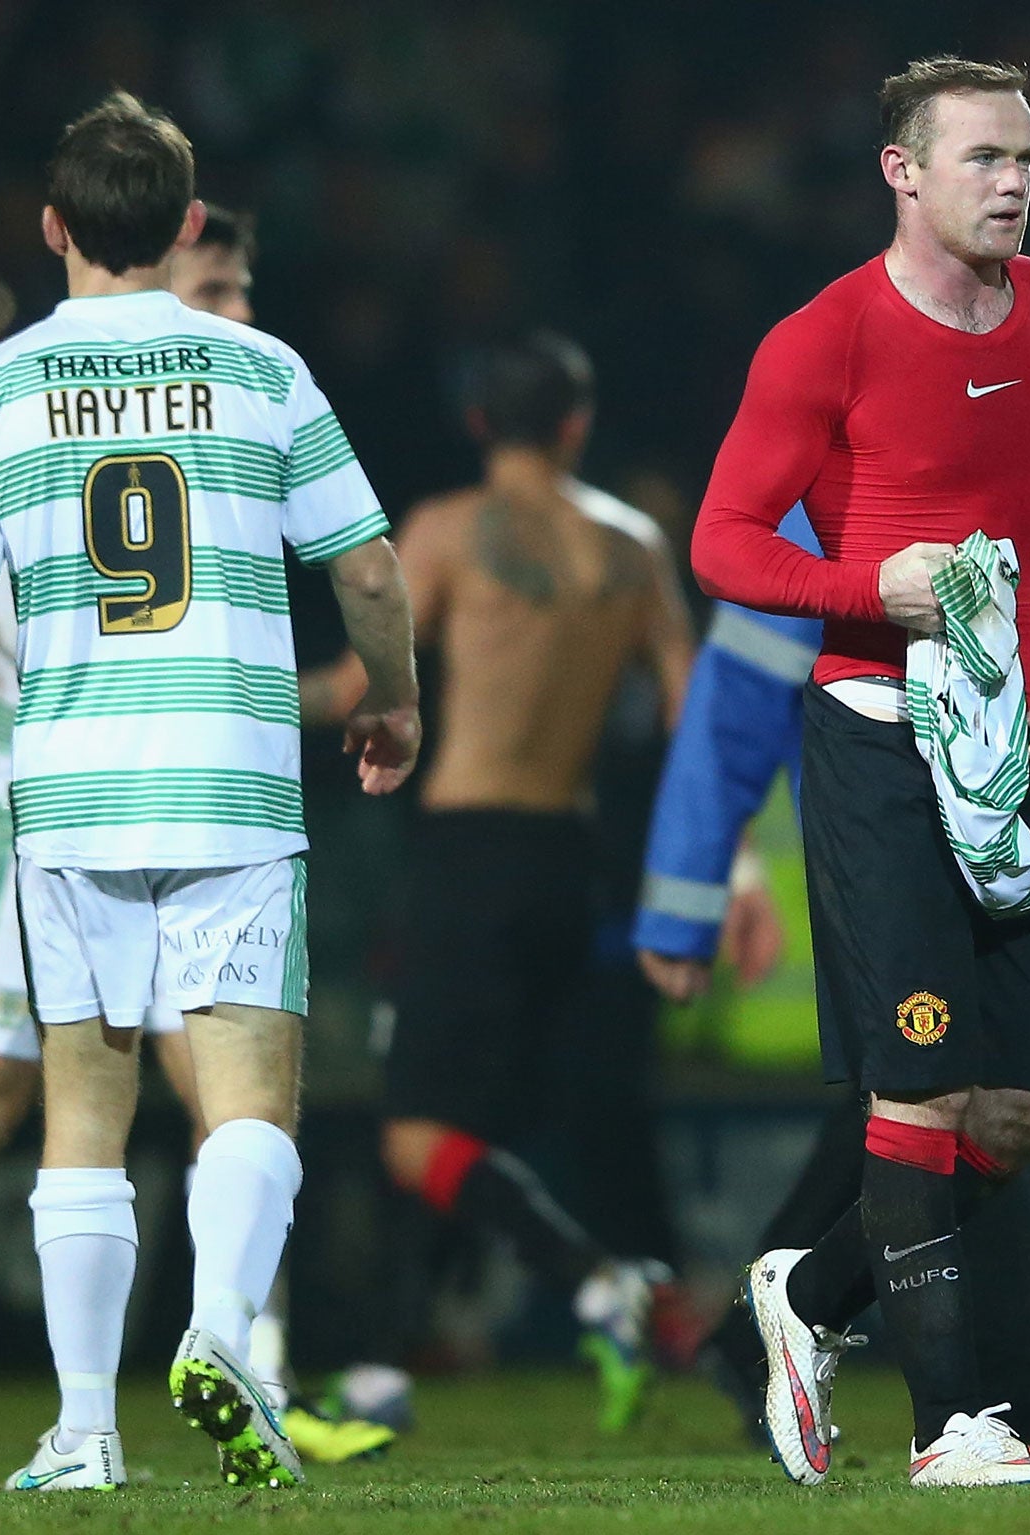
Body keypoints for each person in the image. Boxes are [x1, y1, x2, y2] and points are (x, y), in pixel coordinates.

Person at [0, 93, 420, 1491]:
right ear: (187, 223)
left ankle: (83, 1430)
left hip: (70, 797)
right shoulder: (263, 370)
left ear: (53, 226)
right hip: (230, 785)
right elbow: (373, 569)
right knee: (250, 1093)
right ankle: (219, 1334)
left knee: (81, 1116)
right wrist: (393, 694)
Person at [688, 56, 1030, 1487]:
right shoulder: (825, 337)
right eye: (981, 159)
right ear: (902, 171)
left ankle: (809, 1295)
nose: (1012, 181)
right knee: (924, 1091)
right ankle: (956, 1424)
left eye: (1024, 159)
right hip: (883, 739)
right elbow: (721, 539)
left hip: (1025, 737)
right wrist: (864, 587)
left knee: (1025, 1107)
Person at [637, 508, 1030, 1452]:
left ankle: (788, 1328)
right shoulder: (841, 507)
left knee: (979, 1117)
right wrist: (691, 893)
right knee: (935, 1111)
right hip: (888, 853)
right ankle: (992, 1391)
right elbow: (732, 704)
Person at [301, 331, 694, 1433]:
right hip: (573, 867)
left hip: (466, 856)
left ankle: (589, 1277)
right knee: (479, 1127)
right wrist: (728, 859)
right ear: (576, 423)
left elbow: (353, 684)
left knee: (417, 1137)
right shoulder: (634, 545)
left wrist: (221, 695)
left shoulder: (442, 531)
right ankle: (387, 1366)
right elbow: (690, 706)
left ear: (479, 422)